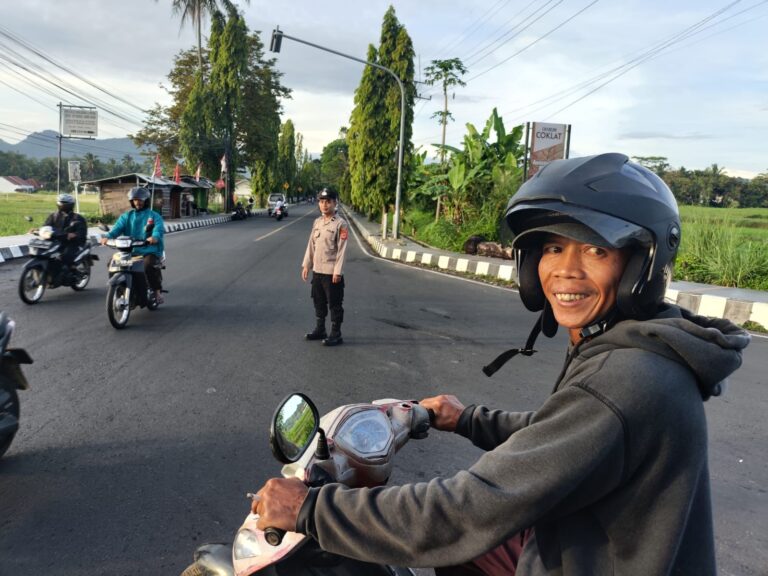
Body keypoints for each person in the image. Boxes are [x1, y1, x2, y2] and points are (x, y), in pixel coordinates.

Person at [252, 153, 751, 574]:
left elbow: (466, 511)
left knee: (458, 539)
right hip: (597, 550)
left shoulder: (622, 380)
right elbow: (559, 432)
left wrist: (313, 508)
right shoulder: (641, 350)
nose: (565, 270)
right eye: (553, 247)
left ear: (639, 267)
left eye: (596, 250)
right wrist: (465, 418)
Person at [100, 186, 166, 304]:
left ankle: (157, 292)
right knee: (112, 262)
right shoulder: (126, 216)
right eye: (135, 200)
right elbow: (116, 229)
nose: (137, 202)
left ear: (146, 201)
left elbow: (158, 229)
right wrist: (108, 237)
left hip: (149, 249)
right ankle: (120, 289)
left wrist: (154, 237)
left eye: (140, 200)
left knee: (148, 265)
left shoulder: (154, 216)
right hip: (130, 250)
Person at [301, 188, 348, 346]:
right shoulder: (317, 222)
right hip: (318, 271)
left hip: (331, 273)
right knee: (318, 301)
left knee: (334, 303)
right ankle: (320, 329)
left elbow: (341, 250)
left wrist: (338, 271)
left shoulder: (340, 224)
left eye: (328, 201)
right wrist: (307, 265)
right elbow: (311, 245)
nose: (324, 205)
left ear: (335, 203)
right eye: (321, 202)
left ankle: (336, 333)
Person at [37, 193, 87, 282]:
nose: (62, 204)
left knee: (65, 257)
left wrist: (74, 235)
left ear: (70, 205)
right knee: (45, 253)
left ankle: (73, 271)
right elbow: (46, 226)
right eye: (61, 202)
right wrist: (39, 230)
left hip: (73, 243)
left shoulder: (78, 218)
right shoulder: (53, 216)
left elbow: (82, 233)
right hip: (56, 241)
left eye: (64, 203)